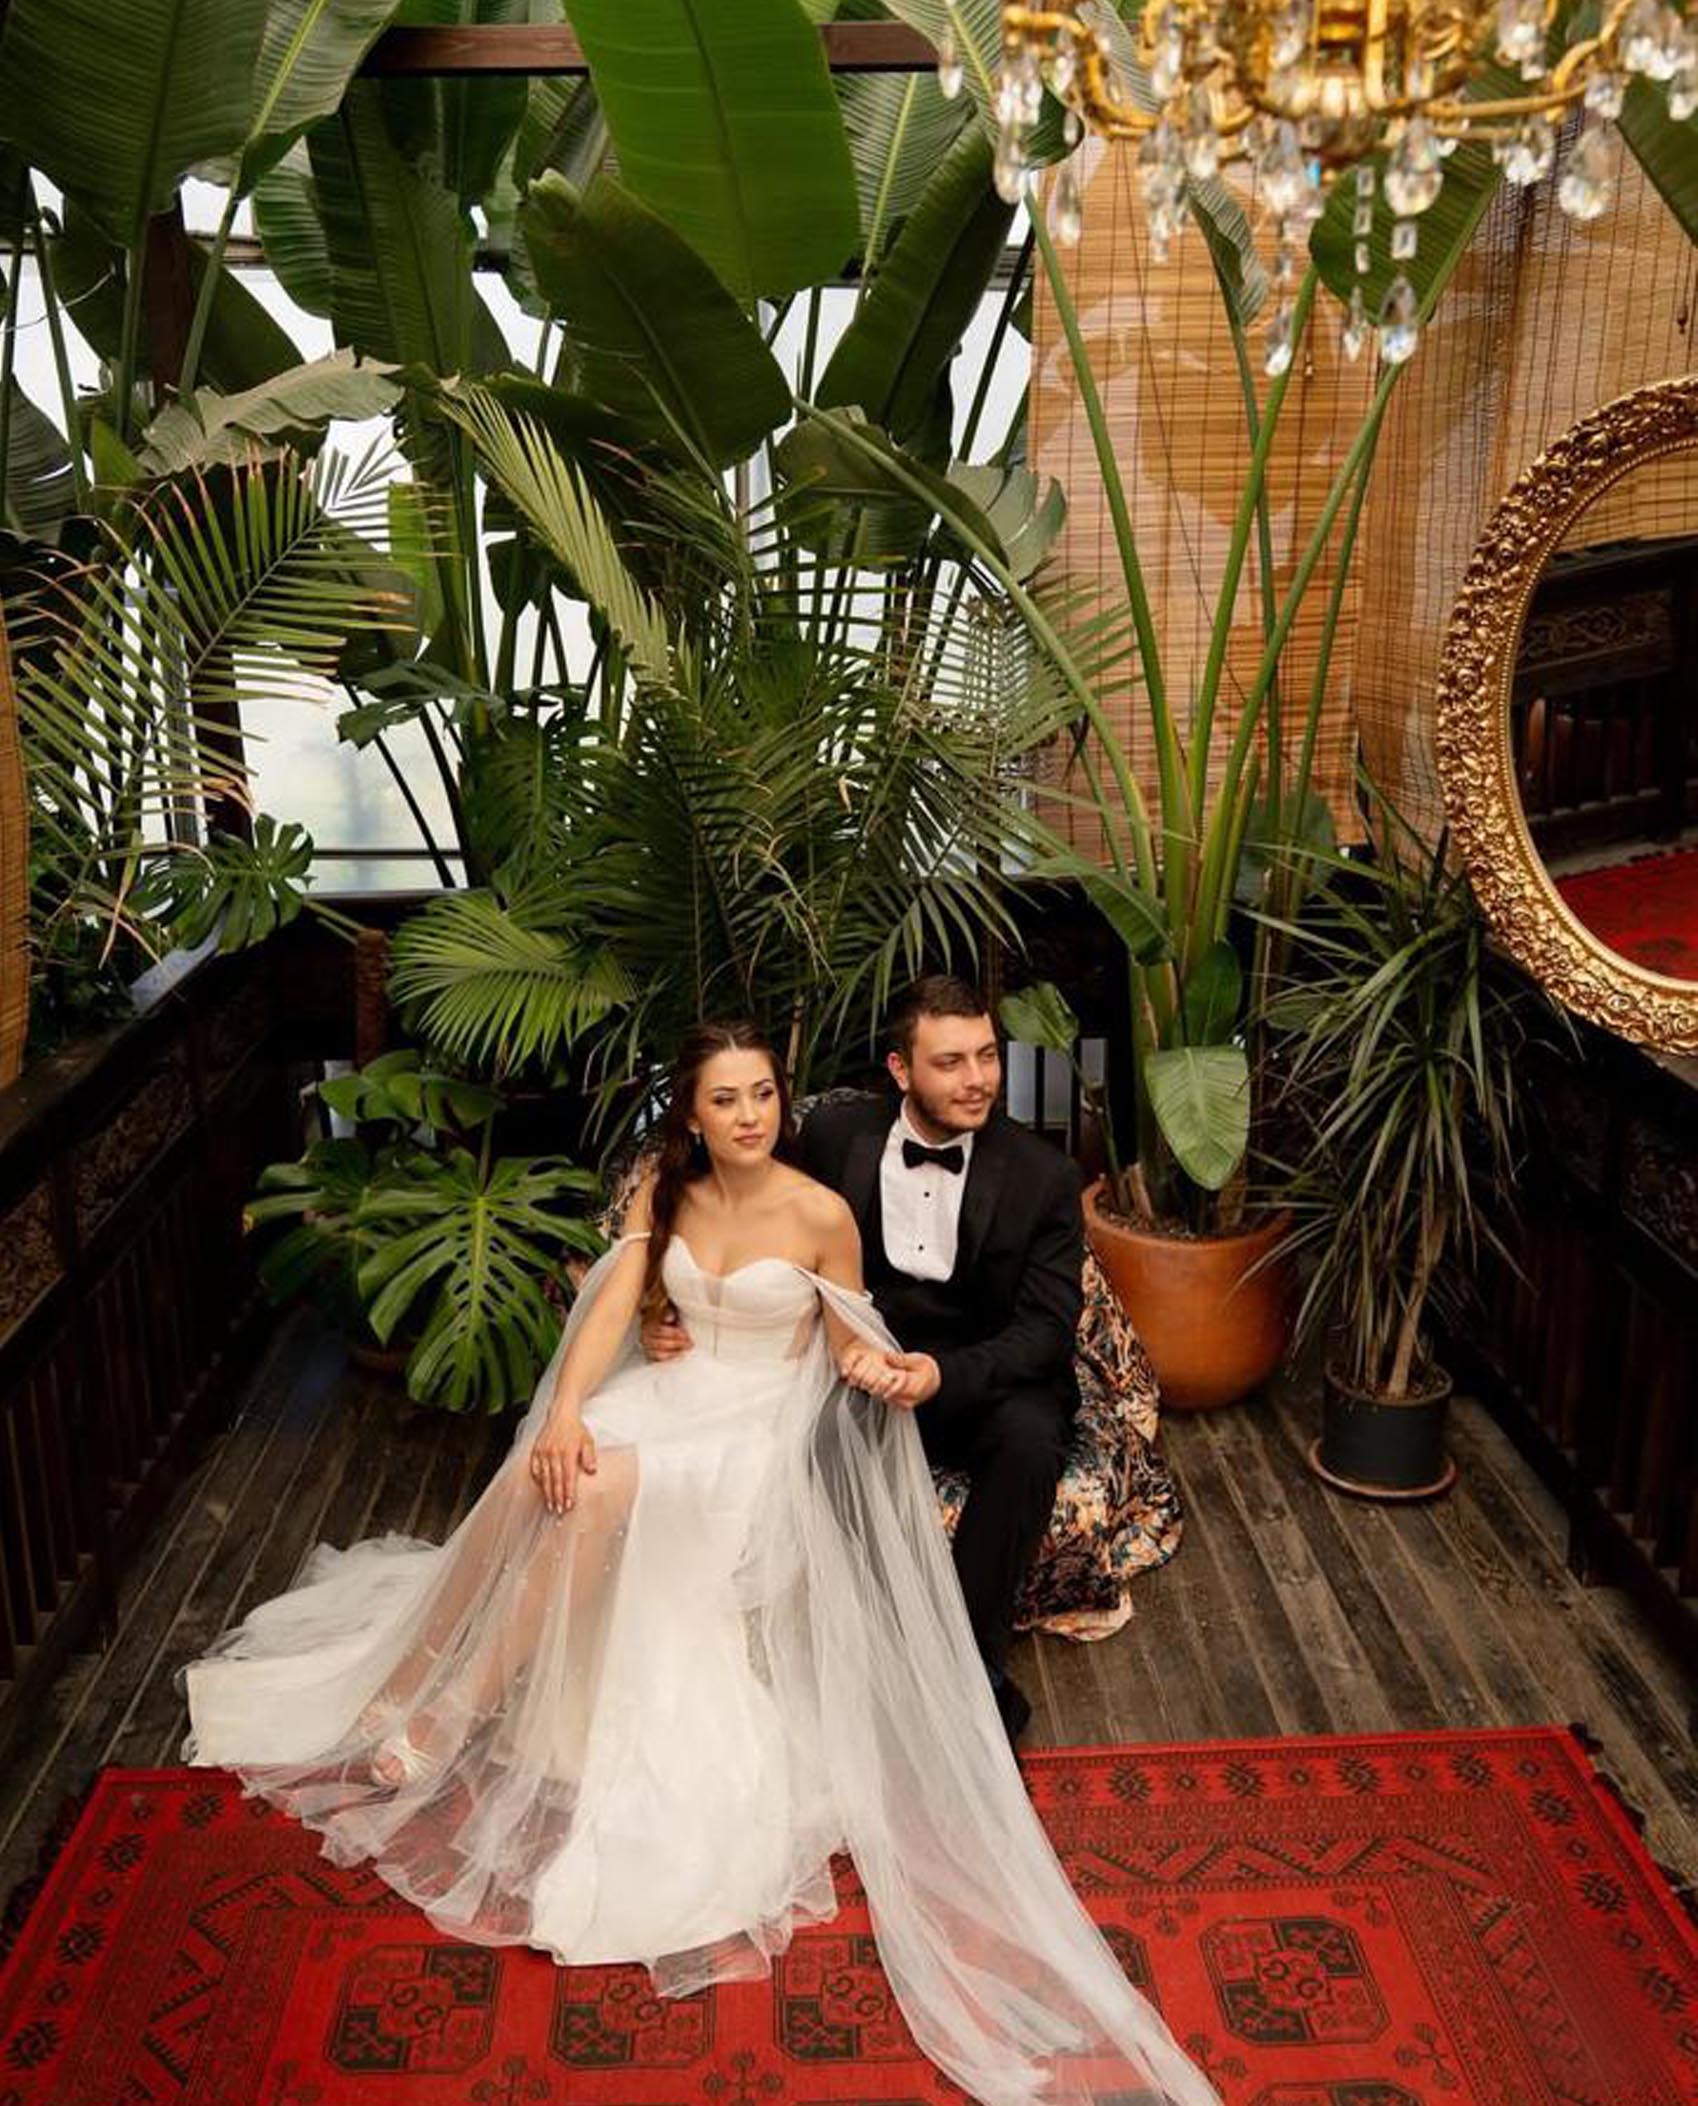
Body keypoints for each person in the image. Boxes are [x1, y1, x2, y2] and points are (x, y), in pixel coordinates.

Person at [176, 1020, 1216, 2106]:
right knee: (553, 1472)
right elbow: (616, 1303)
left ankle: (453, 1710)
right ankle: (440, 1675)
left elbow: (845, 1337)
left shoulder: (818, 1212)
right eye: (727, 1100)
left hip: (757, 1430)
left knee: (598, 1489)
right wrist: (567, 1410)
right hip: (669, 1394)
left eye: (763, 1094)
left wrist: (882, 1370)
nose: (751, 1116)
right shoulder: (663, 1192)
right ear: (693, 1115)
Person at [645, 976, 1080, 1747]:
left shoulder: (1043, 1175)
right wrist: (674, 1306)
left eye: (986, 1056)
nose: (977, 1079)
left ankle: (969, 1668)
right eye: (949, 1062)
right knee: (813, 1444)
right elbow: (742, 1207)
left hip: (987, 1377)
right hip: (858, 1363)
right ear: (900, 1069)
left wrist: (942, 1375)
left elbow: (1046, 1331)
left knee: (1029, 1446)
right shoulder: (836, 1135)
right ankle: (864, 1651)